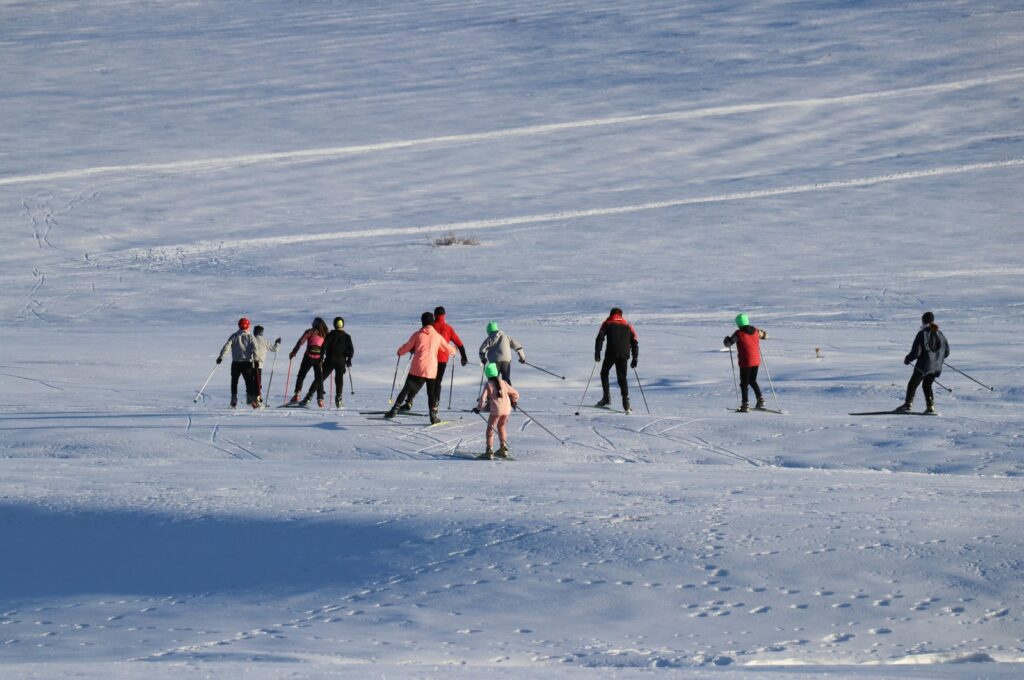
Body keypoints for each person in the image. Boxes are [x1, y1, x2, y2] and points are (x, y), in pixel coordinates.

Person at [386, 312, 452, 423]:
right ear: (432, 322)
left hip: (417, 367)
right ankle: (433, 416)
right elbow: (448, 348)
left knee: (406, 388)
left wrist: (400, 352)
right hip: (431, 370)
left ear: (422, 322)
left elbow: (407, 346)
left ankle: (394, 409)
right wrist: (454, 350)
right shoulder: (437, 337)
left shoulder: (417, 334)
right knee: (431, 393)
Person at [406, 306, 468, 412]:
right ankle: (435, 405)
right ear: (444, 316)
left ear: (434, 315)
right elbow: (459, 343)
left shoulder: (430, 326)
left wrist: (412, 349)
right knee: (437, 382)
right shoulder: (448, 328)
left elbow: (420, 339)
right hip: (442, 359)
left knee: (419, 381)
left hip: (429, 358)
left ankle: (409, 400)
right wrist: (464, 357)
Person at [898, 311, 950, 414]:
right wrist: (937, 358)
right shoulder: (940, 334)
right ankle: (930, 407)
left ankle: (908, 405)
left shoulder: (922, 333)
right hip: (936, 367)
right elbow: (947, 352)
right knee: (927, 385)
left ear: (923, 321)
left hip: (924, 366)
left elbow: (916, 352)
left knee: (913, 384)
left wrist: (908, 359)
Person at [472, 362, 520, 459]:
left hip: (496, 411)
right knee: (501, 427)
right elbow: (515, 393)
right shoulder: (503, 382)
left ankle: (489, 451)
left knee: (490, 429)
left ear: (487, 374)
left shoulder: (488, 385)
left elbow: (482, 399)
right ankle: (503, 448)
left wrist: (478, 408)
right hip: (506, 409)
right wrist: (514, 401)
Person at [594, 308, 638, 413]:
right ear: (621, 315)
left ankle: (606, 397)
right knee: (622, 378)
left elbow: (599, 338)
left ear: (611, 314)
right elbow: (635, 341)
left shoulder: (607, 323)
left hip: (611, 353)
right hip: (624, 354)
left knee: (604, 373)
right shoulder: (628, 325)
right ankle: (626, 403)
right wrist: (635, 358)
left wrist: (597, 352)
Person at [304, 316, 354, 409]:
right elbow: (351, 350)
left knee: (320, 378)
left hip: (330, 360)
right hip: (341, 361)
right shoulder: (347, 337)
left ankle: (308, 397)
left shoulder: (330, 335)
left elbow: (324, 346)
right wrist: (349, 359)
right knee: (339, 380)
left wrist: (321, 356)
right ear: (343, 325)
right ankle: (338, 399)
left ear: (334, 325)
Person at [723, 313, 768, 412]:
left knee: (744, 384)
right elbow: (766, 336)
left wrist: (726, 340)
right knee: (752, 380)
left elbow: (728, 344)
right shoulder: (756, 331)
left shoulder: (738, 333)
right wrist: (763, 334)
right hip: (756, 361)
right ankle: (760, 400)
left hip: (745, 362)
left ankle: (745, 404)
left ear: (738, 323)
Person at [217, 317, 258, 408]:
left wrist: (221, 357)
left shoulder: (234, 336)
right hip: (247, 363)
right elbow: (255, 349)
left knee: (234, 381)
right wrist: (256, 359)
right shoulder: (250, 337)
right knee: (249, 381)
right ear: (248, 326)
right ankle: (252, 400)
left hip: (236, 363)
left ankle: (234, 398)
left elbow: (226, 347)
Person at [289, 317, 329, 407]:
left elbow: (300, 342)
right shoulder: (325, 334)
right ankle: (320, 399)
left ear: (315, 324)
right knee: (319, 378)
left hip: (308, 357)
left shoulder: (309, 331)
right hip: (319, 359)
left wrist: (294, 352)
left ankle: (297, 394)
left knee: (301, 375)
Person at [251, 325, 281, 408]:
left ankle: (253, 399)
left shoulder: (251, 340)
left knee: (252, 383)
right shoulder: (264, 341)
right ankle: (257, 401)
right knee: (257, 383)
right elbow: (275, 349)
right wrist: (277, 343)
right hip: (258, 365)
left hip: (249, 365)